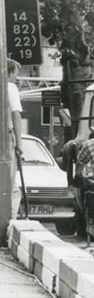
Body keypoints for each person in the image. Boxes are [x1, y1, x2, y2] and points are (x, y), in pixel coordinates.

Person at [7, 59, 23, 219]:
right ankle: (8, 223)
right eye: (16, 73)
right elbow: (16, 116)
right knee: (12, 186)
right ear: (9, 72)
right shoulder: (9, 87)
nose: (17, 78)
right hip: (5, 137)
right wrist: (19, 144)